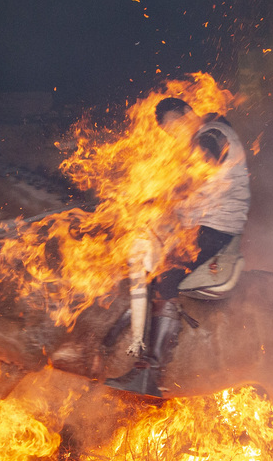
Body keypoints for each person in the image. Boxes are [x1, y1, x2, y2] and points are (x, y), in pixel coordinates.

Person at [105, 97, 251, 398]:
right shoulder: (201, 137)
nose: (175, 136)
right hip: (197, 224)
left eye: (176, 127)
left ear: (188, 114)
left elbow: (196, 174)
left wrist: (159, 196)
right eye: (170, 133)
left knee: (166, 273)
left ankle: (151, 373)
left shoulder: (214, 133)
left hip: (216, 228)